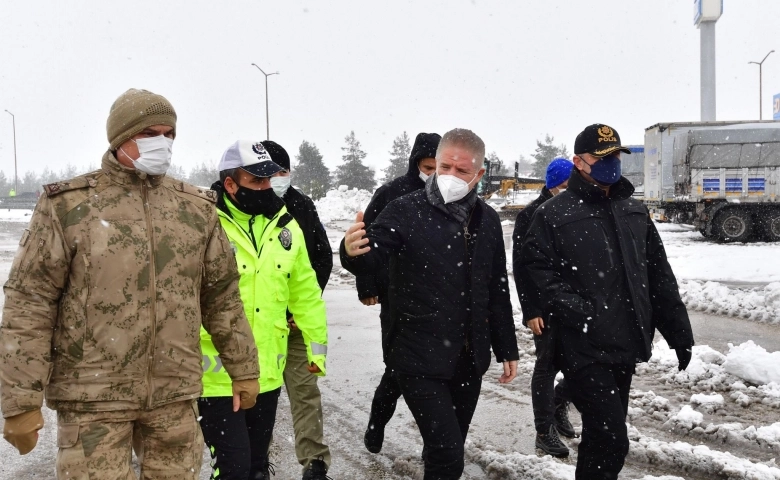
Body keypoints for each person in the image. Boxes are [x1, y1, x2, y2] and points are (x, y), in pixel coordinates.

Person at [0, 88, 260, 479]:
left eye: (169, 134)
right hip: (93, 398)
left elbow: (221, 297)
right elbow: (30, 304)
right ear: (121, 137)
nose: (163, 143)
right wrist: (20, 401)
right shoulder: (69, 207)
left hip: (174, 394)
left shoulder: (195, 210)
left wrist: (244, 369)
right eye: (150, 133)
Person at [341, 128, 519, 479]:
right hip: (417, 354)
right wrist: (350, 252)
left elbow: (496, 287)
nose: (451, 176)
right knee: (447, 456)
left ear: (479, 175)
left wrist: (506, 346)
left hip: (469, 357)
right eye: (445, 167)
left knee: (448, 447)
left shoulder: (488, 221)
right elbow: (370, 254)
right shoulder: (405, 210)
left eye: (463, 171)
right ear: (435, 165)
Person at [520, 124, 694, 479]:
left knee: (602, 438)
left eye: (615, 155)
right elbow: (535, 271)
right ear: (578, 162)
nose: (610, 163)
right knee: (612, 437)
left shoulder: (634, 211)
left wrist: (679, 332)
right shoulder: (553, 214)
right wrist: (580, 311)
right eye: (601, 157)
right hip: (581, 345)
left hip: (624, 343)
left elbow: (659, 276)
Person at [199, 140, 328, 480]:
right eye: (256, 181)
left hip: (267, 373)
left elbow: (305, 292)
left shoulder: (286, 226)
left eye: (269, 179)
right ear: (230, 184)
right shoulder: (202, 224)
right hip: (217, 378)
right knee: (234, 470)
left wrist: (317, 351)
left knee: (257, 469)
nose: (266, 187)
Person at [357, 132, 441, 454]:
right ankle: (377, 424)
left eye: (438, 167)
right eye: (427, 166)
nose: (433, 174)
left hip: (437, 299)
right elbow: (365, 239)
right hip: (398, 296)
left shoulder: (451, 197)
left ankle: (435, 444)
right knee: (399, 369)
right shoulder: (392, 193)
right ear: (416, 162)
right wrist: (366, 284)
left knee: (435, 374)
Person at [265, 140, 334, 479]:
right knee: (258, 396)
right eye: (270, 171)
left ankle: (314, 462)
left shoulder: (301, 206)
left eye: (283, 171)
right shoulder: (236, 207)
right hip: (256, 326)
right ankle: (252, 462)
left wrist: (298, 310)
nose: (278, 177)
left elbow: (320, 258)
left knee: (305, 392)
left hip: (294, 324)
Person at [512, 157, 575, 458]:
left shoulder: (577, 210)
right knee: (547, 366)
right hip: (545, 306)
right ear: (552, 184)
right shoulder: (529, 216)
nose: (569, 188)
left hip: (573, 303)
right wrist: (530, 310)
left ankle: (560, 403)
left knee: (582, 363)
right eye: (564, 184)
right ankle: (544, 431)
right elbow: (522, 267)